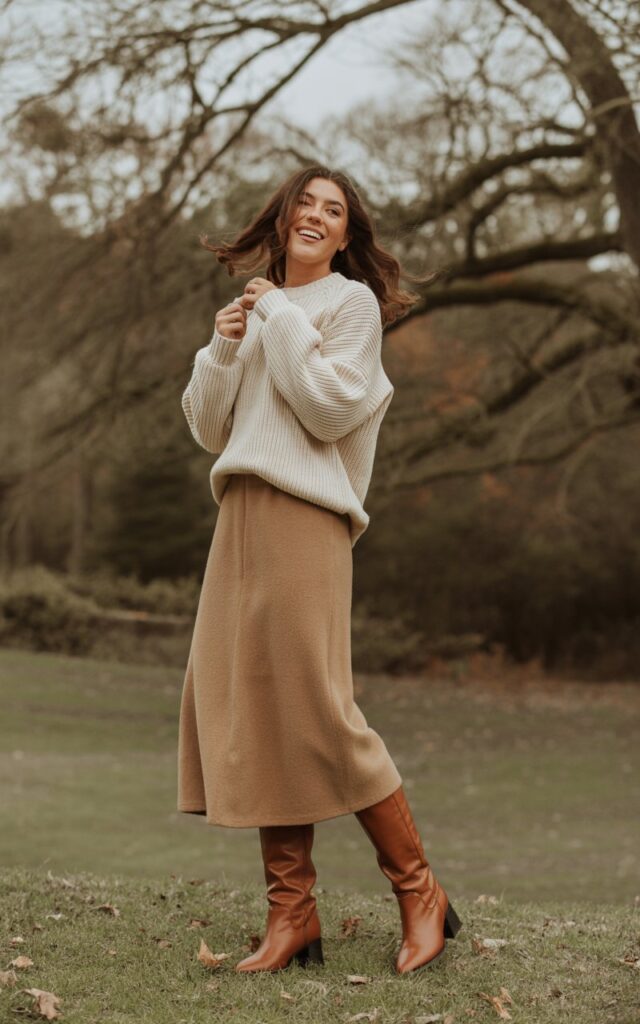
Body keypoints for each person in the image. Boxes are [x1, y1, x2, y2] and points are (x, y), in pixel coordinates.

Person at [176, 165, 462, 975]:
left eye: (333, 210)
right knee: (257, 710)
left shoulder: (349, 305)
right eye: (306, 202)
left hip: (306, 517)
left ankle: (419, 890)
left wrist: (277, 319)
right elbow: (208, 426)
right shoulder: (259, 311)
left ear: (344, 236)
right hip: (239, 514)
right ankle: (292, 913)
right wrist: (226, 342)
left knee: (319, 711)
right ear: (283, 218)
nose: (316, 215)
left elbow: (332, 407)